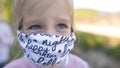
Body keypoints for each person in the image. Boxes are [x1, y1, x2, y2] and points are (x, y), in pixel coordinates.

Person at [5, 0, 89, 68]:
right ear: (20, 30)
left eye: (61, 25)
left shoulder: (81, 66)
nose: (50, 35)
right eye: (35, 27)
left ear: (72, 29)